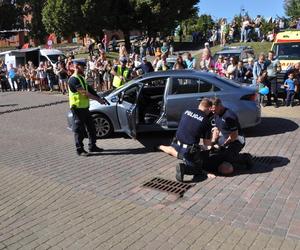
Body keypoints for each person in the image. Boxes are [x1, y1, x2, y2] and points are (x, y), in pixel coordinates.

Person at [158, 98, 216, 181]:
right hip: (188, 150)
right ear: (209, 108)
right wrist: (214, 141)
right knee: (197, 168)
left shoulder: (187, 111)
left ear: (200, 105)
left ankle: (160, 146)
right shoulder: (206, 121)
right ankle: (184, 168)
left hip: (176, 144)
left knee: (175, 151)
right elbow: (207, 145)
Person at [68, 60, 107, 156]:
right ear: (76, 67)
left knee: (91, 128)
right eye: (82, 67)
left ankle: (92, 146)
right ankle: (80, 150)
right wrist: (98, 100)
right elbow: (85, 93)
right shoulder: (73, 79)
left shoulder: (81, 78)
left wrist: (99, 97)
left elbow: (89, 89)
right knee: (79, 130)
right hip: (77, 108)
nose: (84, 69)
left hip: (85, 107)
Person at [210, 97, 252, 175]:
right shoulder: (216, 114)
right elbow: (216, 129)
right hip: (225, 137)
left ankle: (246, 158)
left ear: (219, 105)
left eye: (214, 109)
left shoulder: (229, 116)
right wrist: (213, 142)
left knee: (228, 156)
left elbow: (234, 135)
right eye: (211, 109)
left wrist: (223, 145)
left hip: (237, 139)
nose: (212, 111)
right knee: (215, 152)